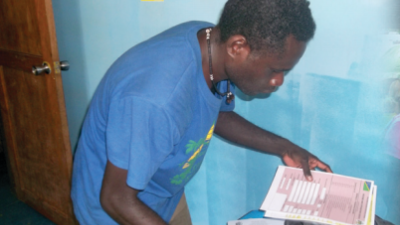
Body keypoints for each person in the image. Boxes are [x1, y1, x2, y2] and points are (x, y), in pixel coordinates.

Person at [71, 0, 332, 224]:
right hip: (117, 212)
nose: (279, 81)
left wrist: (284, 147)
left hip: (164, 195)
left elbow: (215, 112)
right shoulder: (154, 99)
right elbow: (115, 198)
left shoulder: (212, 45)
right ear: (237, 47)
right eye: (275, 69)